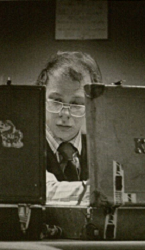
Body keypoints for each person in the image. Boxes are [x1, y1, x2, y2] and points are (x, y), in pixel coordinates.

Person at [37, 51, 102, 203]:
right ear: (40, 98)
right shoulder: (23, 147)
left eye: (76, 103)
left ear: (92, 105)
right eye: (56, 101)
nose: (64, 113)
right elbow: (41, 190)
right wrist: (100, 190)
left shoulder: (101, 149)